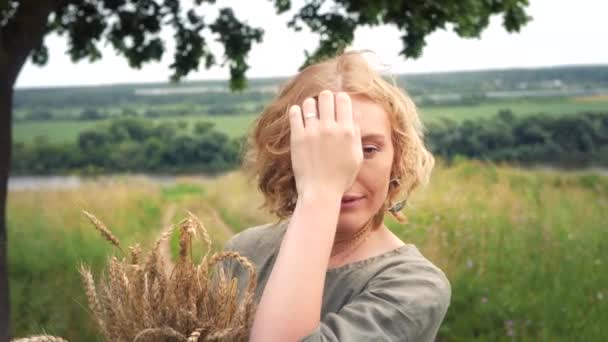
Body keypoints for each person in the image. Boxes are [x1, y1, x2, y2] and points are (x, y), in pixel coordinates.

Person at [221, 50, 451, 341]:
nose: (346, 171)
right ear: (285, 156)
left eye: (368, 150)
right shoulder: (244, 251)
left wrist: (321, 190)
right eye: (322, 150)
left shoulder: (413, 286)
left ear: (398, 157)